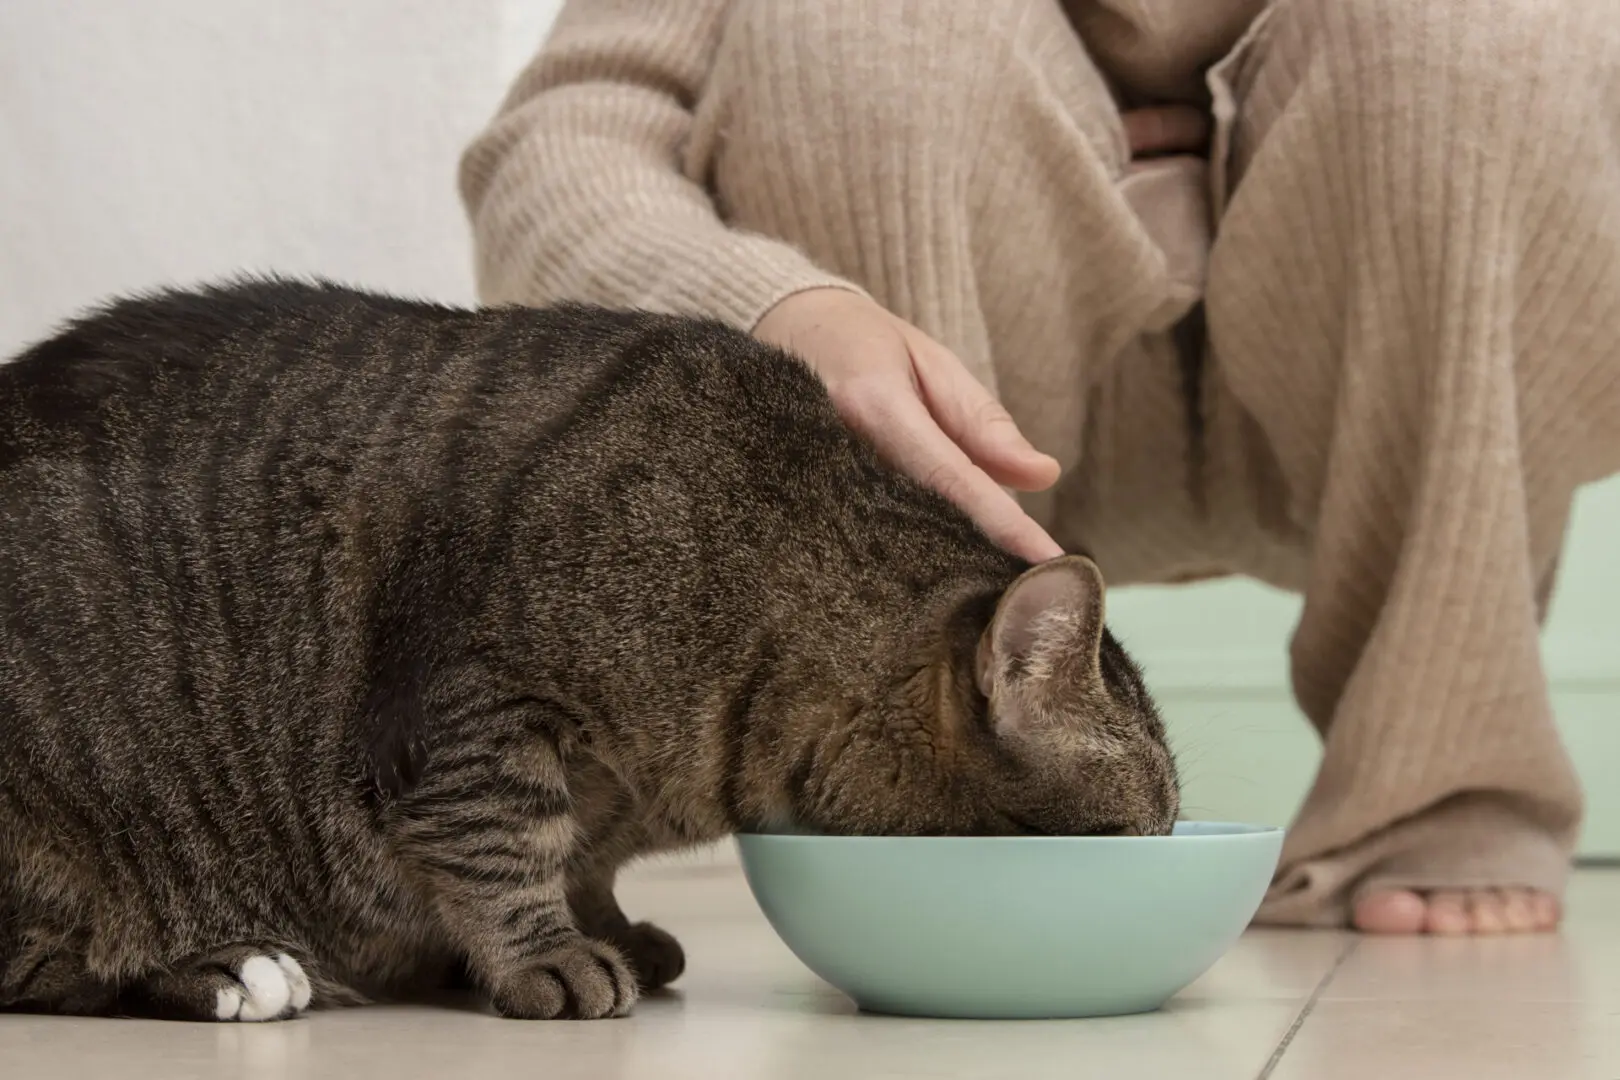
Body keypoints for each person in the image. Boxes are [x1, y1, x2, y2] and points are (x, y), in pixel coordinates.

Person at [457, 0, 1620, 935]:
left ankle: (1438, 783)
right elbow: (560, 148)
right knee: (868, 27)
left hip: (1411, 390)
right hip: (925, 412)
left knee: (1486, 32)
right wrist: (776, 308)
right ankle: (910, 774)